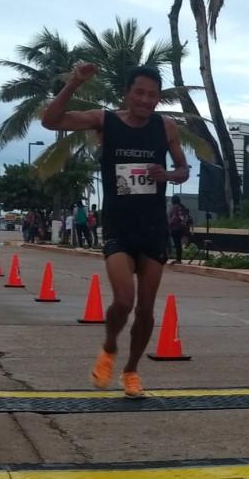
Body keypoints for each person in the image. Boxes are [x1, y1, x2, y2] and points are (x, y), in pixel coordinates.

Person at [41, 62, 190, 399]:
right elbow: (50, 121)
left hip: (153, 227)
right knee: (123, 300)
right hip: (119, 225)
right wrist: (74, 83)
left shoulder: (165, 127)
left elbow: (183, 169)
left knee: (146, 309)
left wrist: (166, 175)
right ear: (127, 93)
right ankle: (109, 347)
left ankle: (132, 370)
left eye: (152, 95)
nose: (145, 100)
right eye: (139, 92)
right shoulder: (104, 120)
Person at [168, 197, 192, 263]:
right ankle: (178, 259)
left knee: (177, 244)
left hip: (175, 228)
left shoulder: (175, 208)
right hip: (182, 228)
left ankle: (178, 259)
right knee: (178, 244)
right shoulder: (182, 207)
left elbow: (174, 217)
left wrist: (169, 224)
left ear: (173, 201)